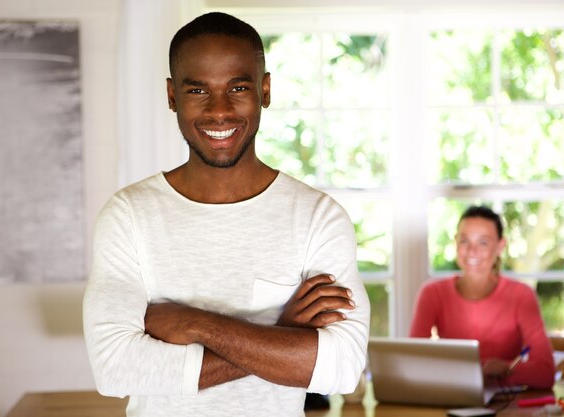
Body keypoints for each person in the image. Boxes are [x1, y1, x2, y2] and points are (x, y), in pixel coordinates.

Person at [82, 11, 370, 417]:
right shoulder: (128, 215)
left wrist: (196, 324)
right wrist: (283, 336)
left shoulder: (318, 217)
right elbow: (115, 369)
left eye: (238, 87)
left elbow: (340, 369)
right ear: (171, 97)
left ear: (265, 90)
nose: (220, 110)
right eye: (198, 90)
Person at [410, 205, 555, 389]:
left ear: (500, 245)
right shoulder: (432, 293)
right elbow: (413, 362)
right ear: (455, 242)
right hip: (451, 397)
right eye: (464, 241)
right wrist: (479, 373)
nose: (472, 251)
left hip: (506, 403)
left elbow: (546, 372)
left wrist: (505, 371)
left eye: (483, 242)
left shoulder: (521, 295)